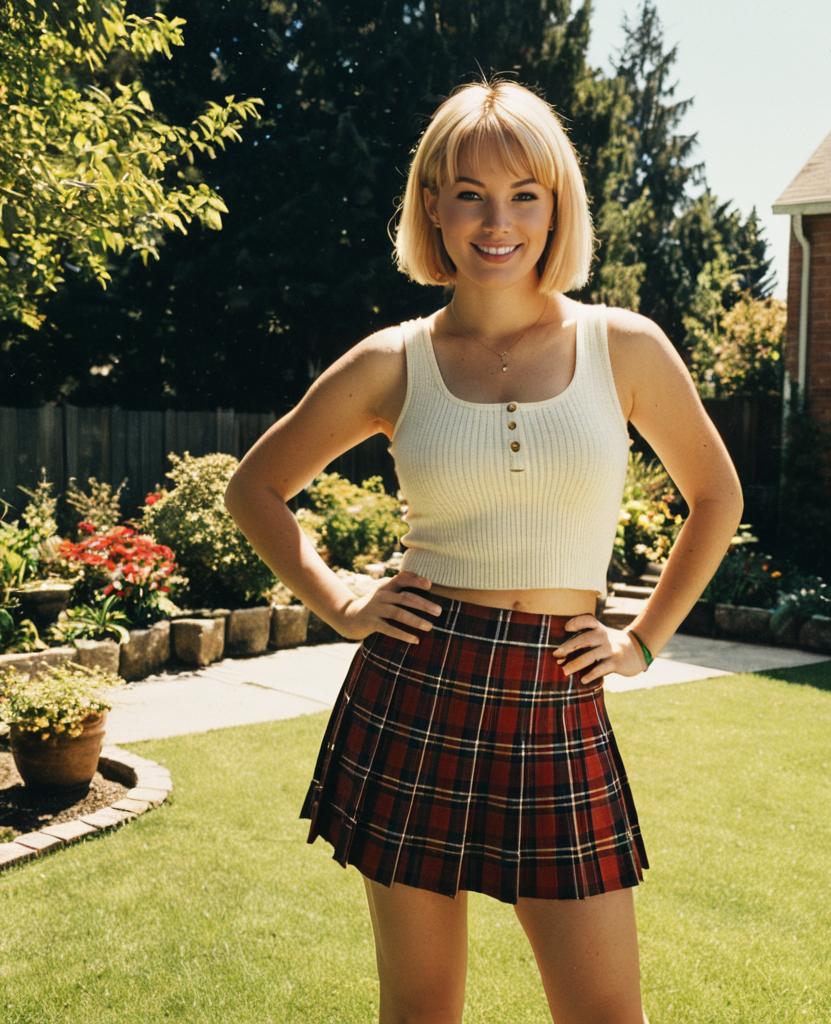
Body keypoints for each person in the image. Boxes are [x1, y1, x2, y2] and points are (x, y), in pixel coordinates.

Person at [225, 74, 744, 1024]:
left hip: (559, 692)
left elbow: (716, 496)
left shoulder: (622, 345)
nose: (495, 221)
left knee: (605, 1015)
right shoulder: (393, 360)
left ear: (556, 206)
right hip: (416, 689)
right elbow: (252, 488)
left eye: (522, 195)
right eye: (469, 193)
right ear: (432, 205)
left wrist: (641, 640)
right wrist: (339, 600)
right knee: (422, 1011)